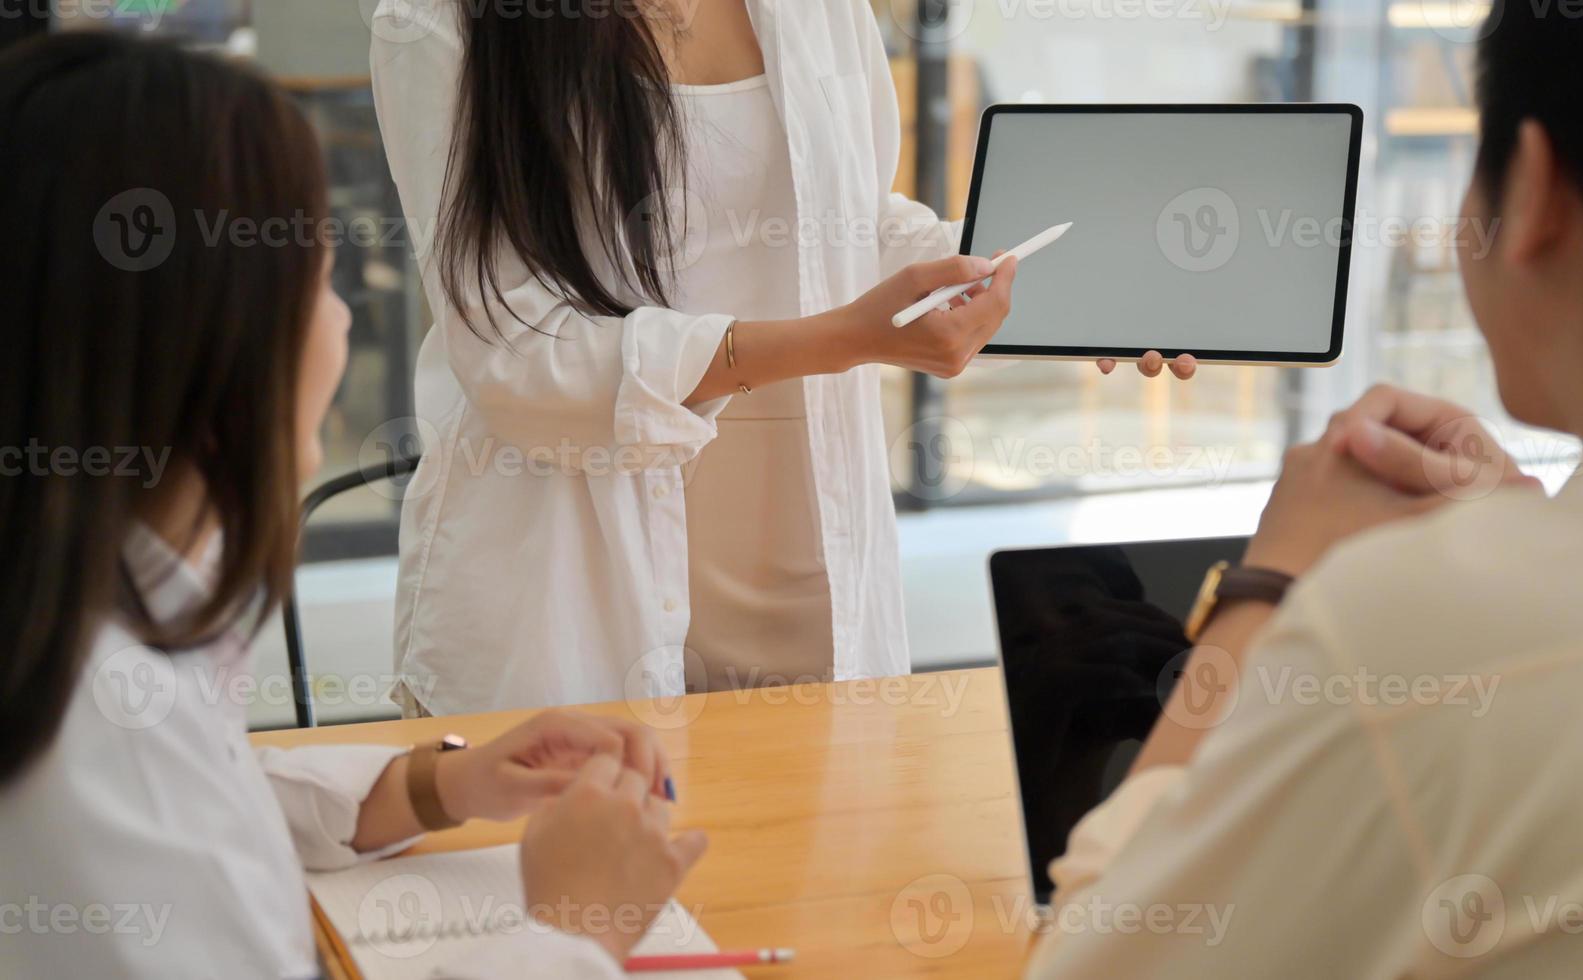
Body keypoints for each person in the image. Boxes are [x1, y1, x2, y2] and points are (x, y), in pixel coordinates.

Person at [0, 34, 700, 978]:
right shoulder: (96, 737)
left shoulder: (79, 622)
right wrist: (572, 936)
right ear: (207, 332)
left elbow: (210, 800)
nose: (339, 323)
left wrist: (436, 782)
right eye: (318, 281)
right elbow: (160, 810)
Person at [1027, 4, 1583, 976]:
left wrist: (1271, 587)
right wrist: (1543, 534)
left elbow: (1090, 959)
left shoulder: (1399, 623)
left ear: (1534, 190)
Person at [368, 0, 1198, 715]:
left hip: (809, 577)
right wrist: (846, 338)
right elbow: (516, 355)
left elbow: (848, 224)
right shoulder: (445, 22)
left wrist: (1062, 289)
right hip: (566, 608)